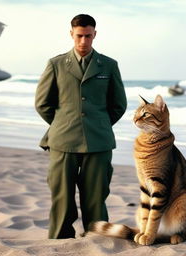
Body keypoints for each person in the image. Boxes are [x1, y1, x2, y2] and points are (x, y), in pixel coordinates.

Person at [35, 14, 127, 239]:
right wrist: (63, 124)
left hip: (99, 143)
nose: (83, 41)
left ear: (95, 34)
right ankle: (59, 240)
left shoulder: (109, 65)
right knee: (62, 198)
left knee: (96, 198)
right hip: (62, 142)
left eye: (88, 36)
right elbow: (42, 103)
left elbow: (118, 105)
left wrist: (99, 125)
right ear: (71, 34)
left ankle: (97, 239)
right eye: (79, 36)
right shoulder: (56, 64)